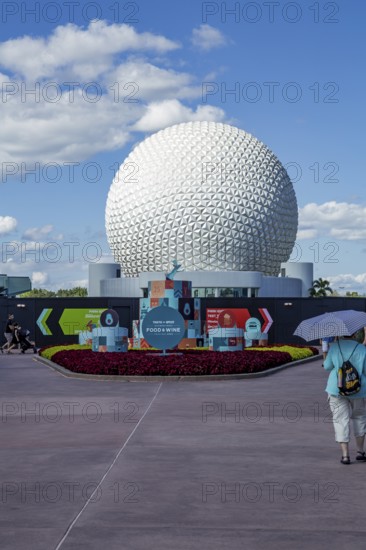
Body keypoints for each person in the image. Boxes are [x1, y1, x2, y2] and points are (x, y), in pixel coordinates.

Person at [324, 333, 366, 464]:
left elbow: (327, 367)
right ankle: (360, 451)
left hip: (336, 389)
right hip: (358, 389)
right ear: (354, 334)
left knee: (340, 420)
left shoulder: (334, 347)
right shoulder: (361, 348)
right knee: (359, 418)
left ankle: (345, 455)